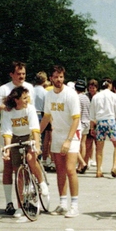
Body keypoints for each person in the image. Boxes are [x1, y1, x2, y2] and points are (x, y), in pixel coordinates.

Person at [0, 62, 35, 214]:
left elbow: (31, 109)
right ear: (11, 74)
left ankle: (26, 200)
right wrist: (4, 106)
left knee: (27, 165)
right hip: (9, 132)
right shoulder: (4, 89)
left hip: (25, 132)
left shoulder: (30, 88)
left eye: (23, 74)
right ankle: (9, 202)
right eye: (18, 74)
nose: (21, 76)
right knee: (9, 167)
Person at [39, 65, 81, 218]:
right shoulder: (49, 95)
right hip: (57, 136)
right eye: (56, 77)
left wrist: (68, 140)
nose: (59, 80)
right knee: (60, 171)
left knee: (71, 170)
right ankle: (63, 204)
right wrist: (36, 134)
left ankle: (74, 206)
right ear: (51, 78)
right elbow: (46, 117)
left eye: (61, 77)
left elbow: (76, 119)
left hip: (71, 137)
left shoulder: (71, 95)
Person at [1, 86, 50, 217]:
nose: (27, 100)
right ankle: (20, 206)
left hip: (29, 136)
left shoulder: (30, 109)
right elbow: (7, 132)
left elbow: (35, 128)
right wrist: (7, 149)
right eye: (24, 98)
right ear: (16, 100)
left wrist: (37, 146)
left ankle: (41, 182)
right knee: (18, 172)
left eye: (27, 97)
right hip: (16, 138)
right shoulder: (8, 112)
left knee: (30, 157)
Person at [89, 78, 116, 178]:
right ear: (110, 85)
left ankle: (99, 170)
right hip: (111, 121)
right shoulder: (113, 96)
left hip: (100, 122)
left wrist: (92, 128)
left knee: (99, 148)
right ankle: (114, 167)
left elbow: (92, 115)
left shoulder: (96, 97)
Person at [83, 79, 99, 170]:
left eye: (93, 88)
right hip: (88, 122)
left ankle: (98, 163)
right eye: (90, 87)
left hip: (97, 122)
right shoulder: (86, 97)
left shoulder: (98, 97)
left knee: (98, 145)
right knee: (87, 144)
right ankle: (85, 162)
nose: (92, 89)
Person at [75, 79, 90, 174]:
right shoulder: (86, 98)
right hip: (87, 122)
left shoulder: (76, 98)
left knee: (74, 145)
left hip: (79, 123)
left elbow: (77, 112)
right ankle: (81, 165)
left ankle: (82, 163)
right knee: (83, 144)